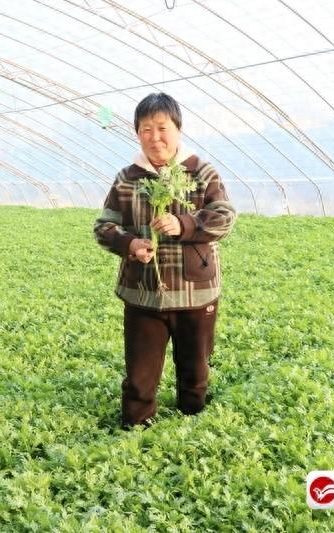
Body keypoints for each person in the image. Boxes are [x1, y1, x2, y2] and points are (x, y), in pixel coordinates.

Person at [93, 93, 236, 428]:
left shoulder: (201, 173)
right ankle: (136, 427)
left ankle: (192, 425)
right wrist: (129, 244)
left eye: (162, 128)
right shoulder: (128, 177)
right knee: (140, 375)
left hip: (195, 292)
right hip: (143, 291)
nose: (154, 137)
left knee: (195, 369)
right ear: (137, 133)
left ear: (178, 129)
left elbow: (225, 218)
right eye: (146, 129)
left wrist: (184, 224)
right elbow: (103, 227)